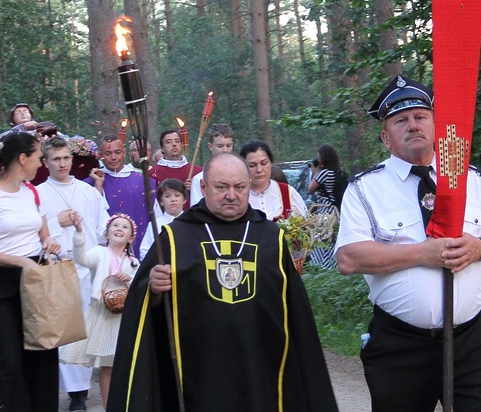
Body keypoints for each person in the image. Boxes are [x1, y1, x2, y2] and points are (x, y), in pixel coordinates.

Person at [335, 75, 481, 411]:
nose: (413, 125)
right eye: (400, 120)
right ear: (386, 138)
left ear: (436, 125)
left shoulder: (468, 179)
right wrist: (423, 253)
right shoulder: (365, 188)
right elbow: (349, 258)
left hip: (471, 343)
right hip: (401, 347)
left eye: (421, 117)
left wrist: (480, 247)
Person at [106, 153, 338, 411]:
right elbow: (144, 309)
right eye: (221, 187)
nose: (231, 195)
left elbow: (295, 312)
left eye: (239, 187)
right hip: (199, 369)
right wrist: (154, 289)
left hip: (260, 366)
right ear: (204, 187)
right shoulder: (174, 238)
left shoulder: (270, 238)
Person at [0, 132, 62, 412]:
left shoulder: (33, 193)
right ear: (22, 159)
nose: (40, 164)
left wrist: (49, 243)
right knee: (10, 360)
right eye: (37, 157)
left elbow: (44, 234)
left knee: (43, 354)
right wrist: (20, 261)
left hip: (35, 280)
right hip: (0, 284)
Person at [37, 136, 110, 412]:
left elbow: (103, 227)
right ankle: (75, 393)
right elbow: (35, 231)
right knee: (65, 330)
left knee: (87, 328)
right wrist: (57, 222)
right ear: (46, 162)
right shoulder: (39, 193)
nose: (63, 163)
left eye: (66, 158)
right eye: (56, 159)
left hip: (89, 267)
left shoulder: (88, 191)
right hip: (58, 268)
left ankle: (81, 389)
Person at [61, 214, 139, 411]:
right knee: (108, 365)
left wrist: (129, 279)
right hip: (103, 316)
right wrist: (79, 234)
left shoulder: (133, 262)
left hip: (122, 318)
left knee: (124, 364)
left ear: (131, 237)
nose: (119, 228)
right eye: (115, 226)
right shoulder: (99, 253)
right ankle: (108, 407)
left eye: (124, 227)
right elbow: (82, 258)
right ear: (107, 233)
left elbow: (137, 286)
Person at [86, 134, 155, 259]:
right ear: (101, 155)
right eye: (108, 153)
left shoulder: (145, 182)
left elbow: (155, 219)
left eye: (117, 152)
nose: (113, 157)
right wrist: (98, 186)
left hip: (139, 246)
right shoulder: (88, 184)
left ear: (124, 152)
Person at [239, 139, 307, 220]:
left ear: (271, 163)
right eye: (252, 165)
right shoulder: (238, 195)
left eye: (264, 163)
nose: (259, 170)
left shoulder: (288, 192)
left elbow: (305, 224)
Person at [139, 178, 188, 259]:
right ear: (161, 201)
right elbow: (145, 252)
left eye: (177, 195)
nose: (173, 199)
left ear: (184, 199)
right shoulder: (154, 225)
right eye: (167, 196)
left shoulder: (191, 222)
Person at [189, 123, 235, 205]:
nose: (225, 150)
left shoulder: (239, 175)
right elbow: (196, 209)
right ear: (210, 146)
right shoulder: (199, 178)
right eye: (220, 146)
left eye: (228, 146)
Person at [147, 129, 201, 194]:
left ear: (181, 145)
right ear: (162, 148)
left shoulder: (198, 172)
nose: (174, 144)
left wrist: (196, 188)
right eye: (168, 142)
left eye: (177, 141)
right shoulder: (152, 174)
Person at [307, 144, 341, 209]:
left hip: (327, 209)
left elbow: (310, 190)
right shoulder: (339, 171)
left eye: (319, 158)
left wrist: (315, 172)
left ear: (324, 158)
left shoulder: (324, 173)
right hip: (337, 207)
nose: (318, 160)